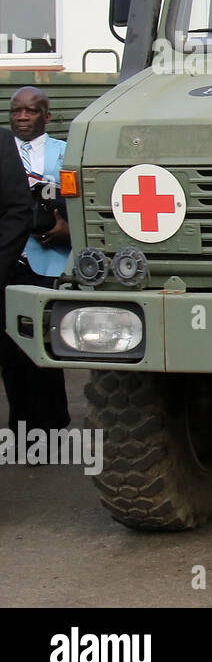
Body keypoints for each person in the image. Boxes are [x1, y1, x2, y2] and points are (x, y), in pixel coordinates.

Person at [1, 86, 70, 432]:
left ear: (47, 115)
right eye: (16, 111)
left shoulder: (65, 153)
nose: (22, 118)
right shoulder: (2, 150)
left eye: (30, 111)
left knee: (44, 349)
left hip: (48, 265)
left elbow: (82, 204)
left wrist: (66, 232)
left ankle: (53, 426)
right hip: (8, 263)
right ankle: (22, 430)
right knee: (11, 353)